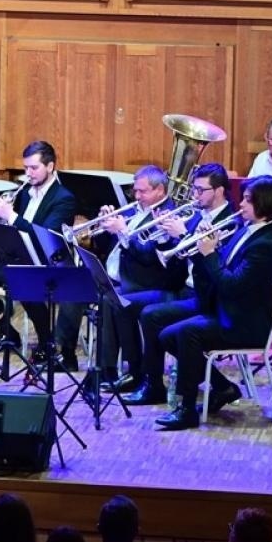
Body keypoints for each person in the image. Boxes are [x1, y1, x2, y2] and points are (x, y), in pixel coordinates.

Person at [155, 176, 272, 430]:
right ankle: (223, 386)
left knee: (188, 333)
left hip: (244, 324)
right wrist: (205, 248)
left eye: (248, 200)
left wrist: (210, 253)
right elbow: (223, 271)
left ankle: (187, 409)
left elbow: (232, 285)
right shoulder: (247, 231)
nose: (242, 204)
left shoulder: (266, 244)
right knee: (168, 336)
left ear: (264, 204)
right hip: (228, 311)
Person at [128, 163, 237, 402]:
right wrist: (166, 237)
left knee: (152, 317)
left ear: (218, 191)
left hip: (207, 296)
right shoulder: (198, 214)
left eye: (200, 190)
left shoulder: (231, 221)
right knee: (139, 310)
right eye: (194, 190)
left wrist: (183, 235)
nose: (195, 196)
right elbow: (178, 255)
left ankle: (161, 386)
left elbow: (213, 264)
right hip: (183, 287)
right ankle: (150, 382)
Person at [0, 140, 78, 362]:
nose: (28, 174)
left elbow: (44, 236)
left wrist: (11, 215)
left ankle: (46, 342)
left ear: (50, 167)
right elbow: (14, 230)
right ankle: (7, 331)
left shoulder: (64, 198)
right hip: (16, 260)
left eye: (34, 168)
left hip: (45, 264)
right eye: (26, 168)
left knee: (21, 280)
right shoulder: (25, 193)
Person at [87, 164, 187, 387]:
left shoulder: (168, 214)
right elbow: (108, 246)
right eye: (136, 191)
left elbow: (150, 256)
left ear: (160, 190)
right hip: (121, 276)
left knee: (116, 300)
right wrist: (105, 224)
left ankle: (134, 371)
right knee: (98, 294)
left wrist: (123, 231)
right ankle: (107, 369)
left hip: (149, 282)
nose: (137, 195)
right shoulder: (133, 210)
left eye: (143, 191)